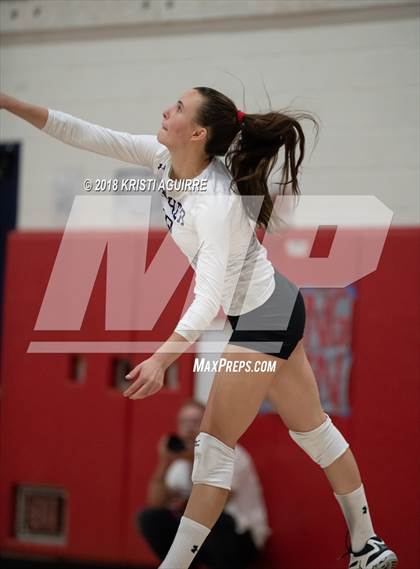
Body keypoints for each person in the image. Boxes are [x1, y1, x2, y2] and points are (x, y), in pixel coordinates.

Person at [0, 87, 398, 569]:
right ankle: (367, 544)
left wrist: (162, 357)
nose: (165, 111)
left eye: (178, 108)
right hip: (271, 305)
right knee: (313, 432)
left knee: (212, 447)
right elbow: (85, 133)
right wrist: (9, 104)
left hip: (263, 315)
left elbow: (207, 298)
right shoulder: (162, 158)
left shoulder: (215, 202)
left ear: (198, 133)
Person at [137, 398, 270, 569]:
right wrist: (164, 462)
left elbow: (213, 503)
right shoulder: (179, 463)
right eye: (183, 422)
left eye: (195, 422)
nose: (188, 428)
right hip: (200, 539)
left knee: (211, 520)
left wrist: (193, 459)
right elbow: (156, 502)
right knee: (150, 518)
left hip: (240, 536)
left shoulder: (231, 453)